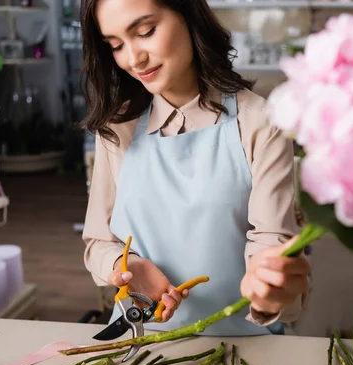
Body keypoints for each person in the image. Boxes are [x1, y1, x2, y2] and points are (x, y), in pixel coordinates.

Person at [78, 0, 311, 336]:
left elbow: (271, 245)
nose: (133, 59)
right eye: (115, 45)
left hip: (245, 342)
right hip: (141, 341)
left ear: (188, 15)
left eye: (146, 32)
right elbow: (98, 241)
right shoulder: (117, 128)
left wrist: (271, 290)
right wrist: (126, 267)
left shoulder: (260, 122)